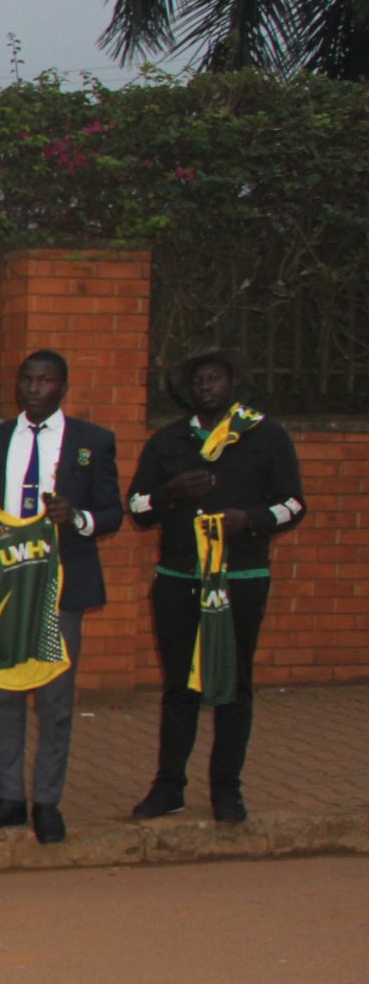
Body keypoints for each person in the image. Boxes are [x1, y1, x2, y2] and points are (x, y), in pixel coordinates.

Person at [125, 350, 307, 825]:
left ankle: (227, 790)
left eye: (215, 378)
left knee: (234, 686)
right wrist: (172, 492)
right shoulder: (169, 441)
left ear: (233, 383)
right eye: (198, 380)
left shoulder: (266, 435)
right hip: (179, 579)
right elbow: (138, 507)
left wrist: (250, 519)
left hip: (239, 581)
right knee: (178, 687)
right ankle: (169, 787)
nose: (206, 386)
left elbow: (294, 504)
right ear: (187, 390)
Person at [0, 350, 120, 846]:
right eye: (26, 380)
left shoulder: (92, 441)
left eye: (45, 381)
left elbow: (112, 513)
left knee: (55, 699)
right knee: (5, 694)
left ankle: (47, 801)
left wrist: (77, 518)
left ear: (62, 387)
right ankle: (10, 798)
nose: (33, 389)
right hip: (9, 586)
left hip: (60, 588)